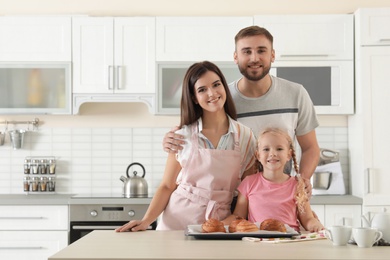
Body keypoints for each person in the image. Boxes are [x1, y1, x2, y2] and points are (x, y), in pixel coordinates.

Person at [162, 26, 320, 195]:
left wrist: (302, 180)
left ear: (272, 55)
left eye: (261, 50)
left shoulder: (296, 94)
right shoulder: (221, 98)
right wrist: (171, 139)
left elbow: (310, 148)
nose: (254, 58)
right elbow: (195, 129)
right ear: (236, 57)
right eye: (246, 51)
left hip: (281, 196)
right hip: (235, 199)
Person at [116, 61, 257, 232]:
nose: (212, 93)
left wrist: (233, 219)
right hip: (177, 219)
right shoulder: (183, 136)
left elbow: (248, 190)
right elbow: (167, 185)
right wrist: (146, 221)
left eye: (216, 85)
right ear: (194, 98)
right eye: (202, 90)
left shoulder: (246, 136)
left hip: (219, 222)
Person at [223, 128, 324, 232]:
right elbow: (238, 216)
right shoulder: (248, 183)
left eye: (279, 149)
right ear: (258, 155)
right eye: (266, 149)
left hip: (289, 242)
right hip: (258, 242)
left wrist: (315, 225)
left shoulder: (297, 185)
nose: (272, 153)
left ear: (288, 155)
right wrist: (220, 224)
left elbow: (307, 219)